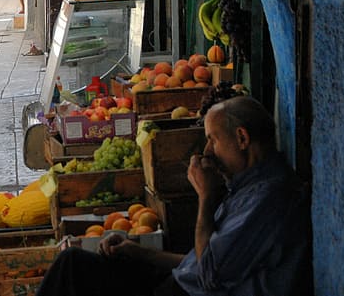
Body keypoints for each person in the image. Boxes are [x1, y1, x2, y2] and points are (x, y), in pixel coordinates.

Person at [36, 96, 310, 296]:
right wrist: (137, 251)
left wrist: (206, 198)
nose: (208, 151)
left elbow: (209, 275)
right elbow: (196, 262)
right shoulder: (246, 188)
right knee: (74, 265)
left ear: (241, 139)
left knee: (73, 273)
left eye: (213, 139)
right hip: (177, 284)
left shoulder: (268, 199)